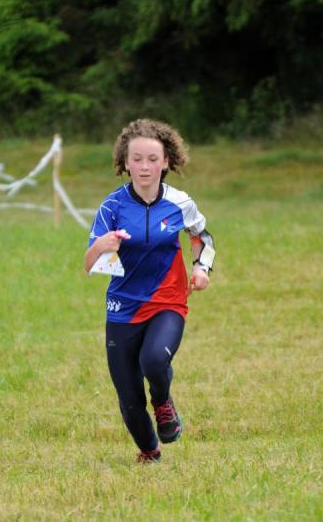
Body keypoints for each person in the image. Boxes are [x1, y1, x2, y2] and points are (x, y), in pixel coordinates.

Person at [84, 119, 216, 463]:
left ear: (166, 162)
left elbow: (201, 236)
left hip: (167, 301)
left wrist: (201, 268)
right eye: (137, 159)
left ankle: (162, 401)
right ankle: (149, 452)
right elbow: (88, 263)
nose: (145, 166)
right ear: (126, 163)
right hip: (122, 307)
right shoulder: (112, 207)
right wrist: (100, 245)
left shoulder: (180, 203)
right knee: (129, 398)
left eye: (152, 159)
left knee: (154, 360)